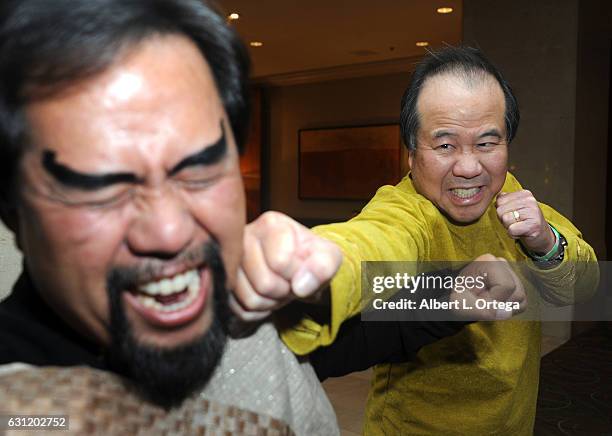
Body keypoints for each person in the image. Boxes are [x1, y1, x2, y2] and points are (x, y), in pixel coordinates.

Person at [0, 2, 525, 434]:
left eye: (200, 167)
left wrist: (458, 290)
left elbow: (375, 328)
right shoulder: (22, 407)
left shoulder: (227, 316)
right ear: (12, 205)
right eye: (101, 184)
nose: (169, 231)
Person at [237, 47, 599, 434]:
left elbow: (584, 284)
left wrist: (544, 242)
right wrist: (310, 263)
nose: (469, 167)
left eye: (487, 143)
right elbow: (371, 242)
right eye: (445, 145)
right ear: (411, 154)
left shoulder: (514, 201)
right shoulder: (408, 211)